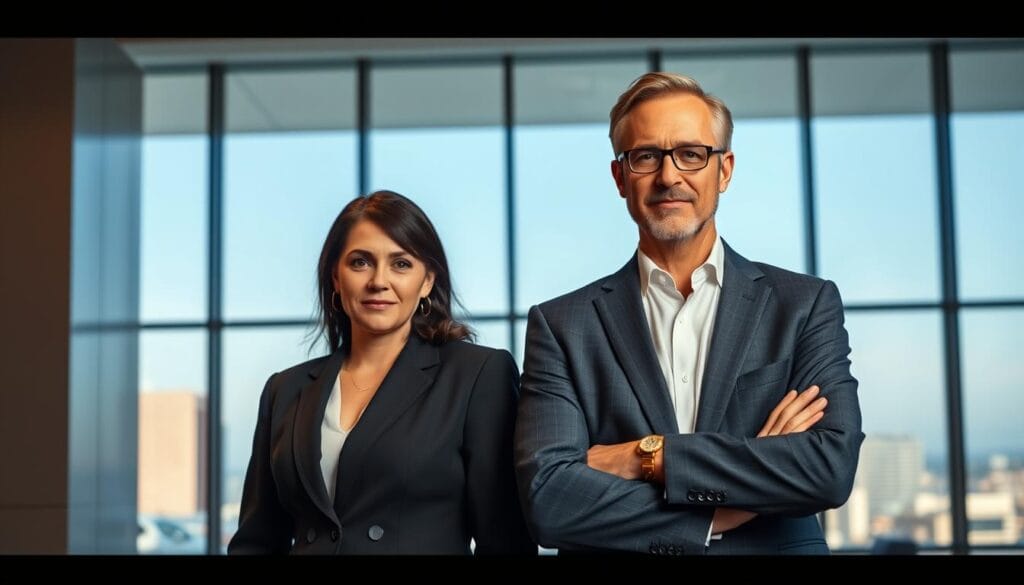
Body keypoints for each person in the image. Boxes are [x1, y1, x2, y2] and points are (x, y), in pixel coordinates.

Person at [514, 73, 864, 555]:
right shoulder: (562, 326)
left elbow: (828, 469)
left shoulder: (803, 304)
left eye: (691, 154)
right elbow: (549, 500)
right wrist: (727, 508)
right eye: (645, 157)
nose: (669, 176)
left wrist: (648, 456)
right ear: (620, 178)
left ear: (724, 170)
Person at [229, 190, 536, 555]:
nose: (379, 280)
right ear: (336, 278)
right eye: (360, 262)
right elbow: (256, 541)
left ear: (426, 281)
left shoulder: (477, 376)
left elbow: (506, 542)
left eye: (401, 264)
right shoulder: (286, 389)